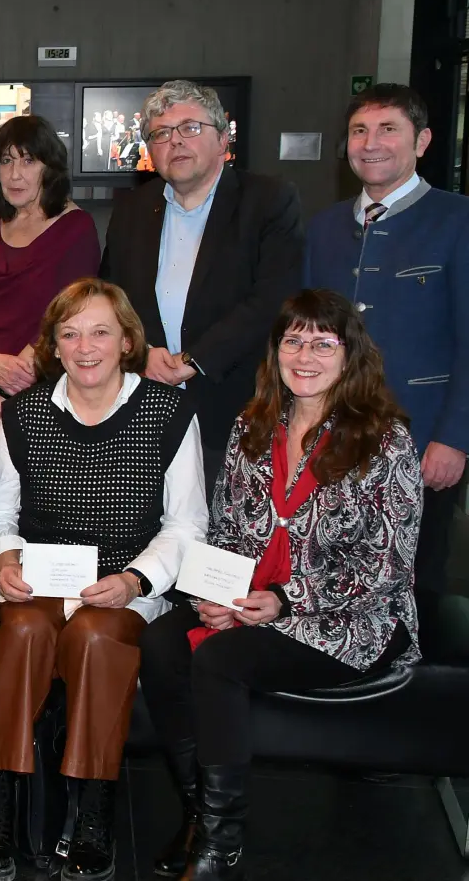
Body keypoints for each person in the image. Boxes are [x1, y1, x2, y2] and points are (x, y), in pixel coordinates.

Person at [140, 290, 421, 881]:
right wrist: (216, 594)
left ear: (351, 355)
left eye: (323, 343)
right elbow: (226, 529)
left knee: (220, 660)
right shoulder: (252, 425)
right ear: (276, 352)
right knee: (161, 641)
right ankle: (198, 816)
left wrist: (285, 601)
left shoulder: (385, 439)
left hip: (350, 620)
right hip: (252, 597)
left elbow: (388, 567)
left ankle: (221, 844)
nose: (305, 356)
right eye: (294, 341)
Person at [0, 280, 207, 881]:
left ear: (127, 341)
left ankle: (93, 810)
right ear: (53, 345)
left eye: (101, 332)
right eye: (69, 334)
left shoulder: (169, 412)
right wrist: (5, 559)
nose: (85, 347)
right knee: (21, 631)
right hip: (39, 579)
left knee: (98, 638)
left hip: (124, 582)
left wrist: (135, 579)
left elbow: (187, 524)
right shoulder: (24, 413)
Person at [303, 82, 469, 614]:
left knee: (415, 587)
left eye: (387, 129)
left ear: (422, 141)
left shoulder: (458, 220)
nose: (370, 143)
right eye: (359, 131)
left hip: (422, 441)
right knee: (331, 575)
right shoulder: (325, 227)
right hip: (332, 438)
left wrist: (455, 438)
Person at [100, 80, 304, 484]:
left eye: (190, 128)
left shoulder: (268, 200)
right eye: (160, 134)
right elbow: (111, 294)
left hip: (236, 410)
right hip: (145, 407)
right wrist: (142, 352)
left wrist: (196, 359)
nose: (175, 141)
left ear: (223, 138)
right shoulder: (131, 209)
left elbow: (273, 298)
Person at [0, 115, 100, 441]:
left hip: (45, 391)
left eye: (29, 161)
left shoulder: (76, 229)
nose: (15, 174)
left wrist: (4, 392)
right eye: (6, 161)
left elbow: (68, 320)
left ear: (50, 168)